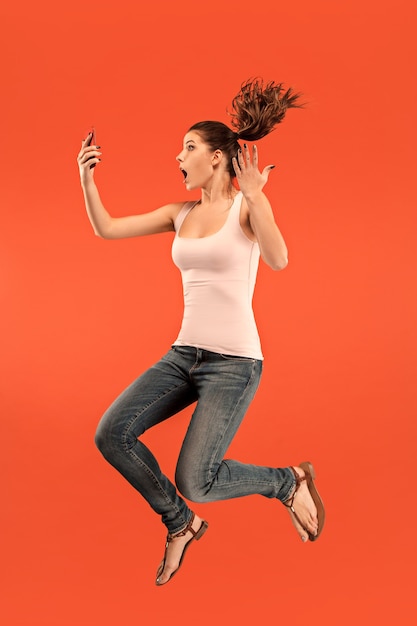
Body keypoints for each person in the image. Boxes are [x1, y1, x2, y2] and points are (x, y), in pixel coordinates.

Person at [77, 79, 325, 587]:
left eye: (188, 147)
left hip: (234, 365)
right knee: (112, 434)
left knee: (197, 479)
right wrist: (87, 181)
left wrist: (257, 197)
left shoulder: (245, 209)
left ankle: (286, 481)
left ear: (216, 158)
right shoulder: (180, 213)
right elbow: (106, 229)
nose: (179, 156)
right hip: (183, 356)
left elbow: (278, 259)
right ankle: (180, 522)